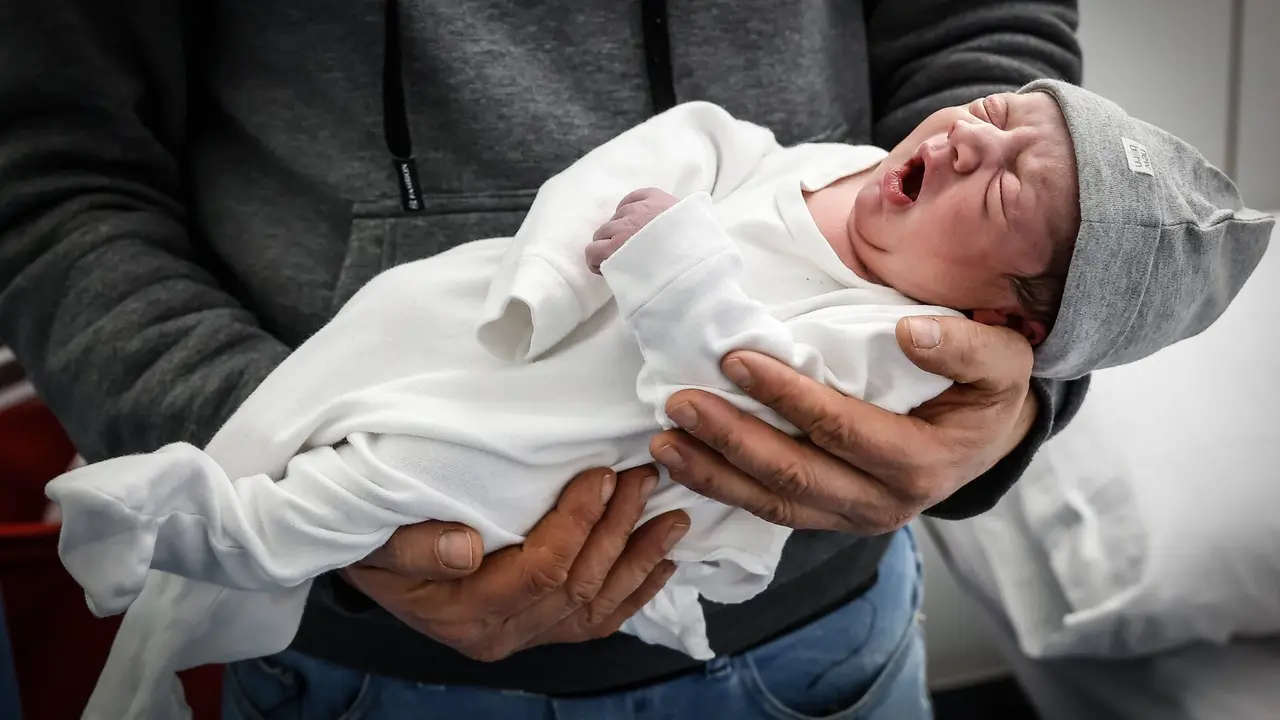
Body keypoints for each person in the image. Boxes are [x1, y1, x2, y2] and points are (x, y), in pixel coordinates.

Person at [46, 79, 1274, 719]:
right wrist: (557, 260)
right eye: (997, 117)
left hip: (574, 472)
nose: (965, 143)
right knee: (347, 386)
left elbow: (734, 382)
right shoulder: (852, 178)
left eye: (1005, 195)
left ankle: (211, 528)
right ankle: (226, 499)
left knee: (385, 480)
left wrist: (670, 262)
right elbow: (698, 146)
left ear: (1009, 324)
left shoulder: (904, 345)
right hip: (431, 495)